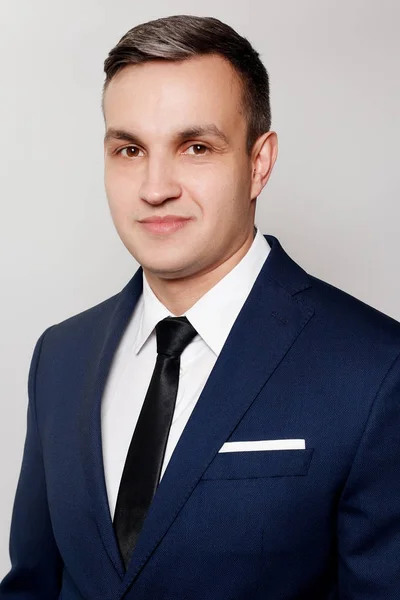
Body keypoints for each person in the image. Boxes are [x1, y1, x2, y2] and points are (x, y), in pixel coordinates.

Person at [1, 14, 400, 600]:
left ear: (258, 162)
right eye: (130, 148)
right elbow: (34, 585)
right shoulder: (60, 355)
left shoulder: (377, 368)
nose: (155, 186)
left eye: (195, 146)